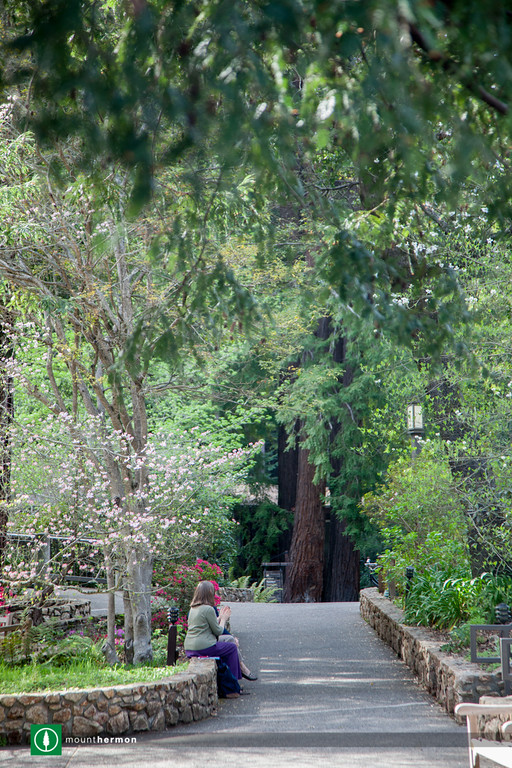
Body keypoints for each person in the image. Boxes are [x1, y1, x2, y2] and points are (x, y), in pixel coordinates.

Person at [184, 580, 243, 691]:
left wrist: (219, 617)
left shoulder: (193, 609)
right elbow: (218, 631)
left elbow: (206, 623)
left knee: (227, 643)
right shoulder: (208, 609)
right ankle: (233, 685)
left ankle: (230, 682)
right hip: (204, 648)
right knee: (231, 648)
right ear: (210, 593)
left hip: (189, 647)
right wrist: (224, 619)